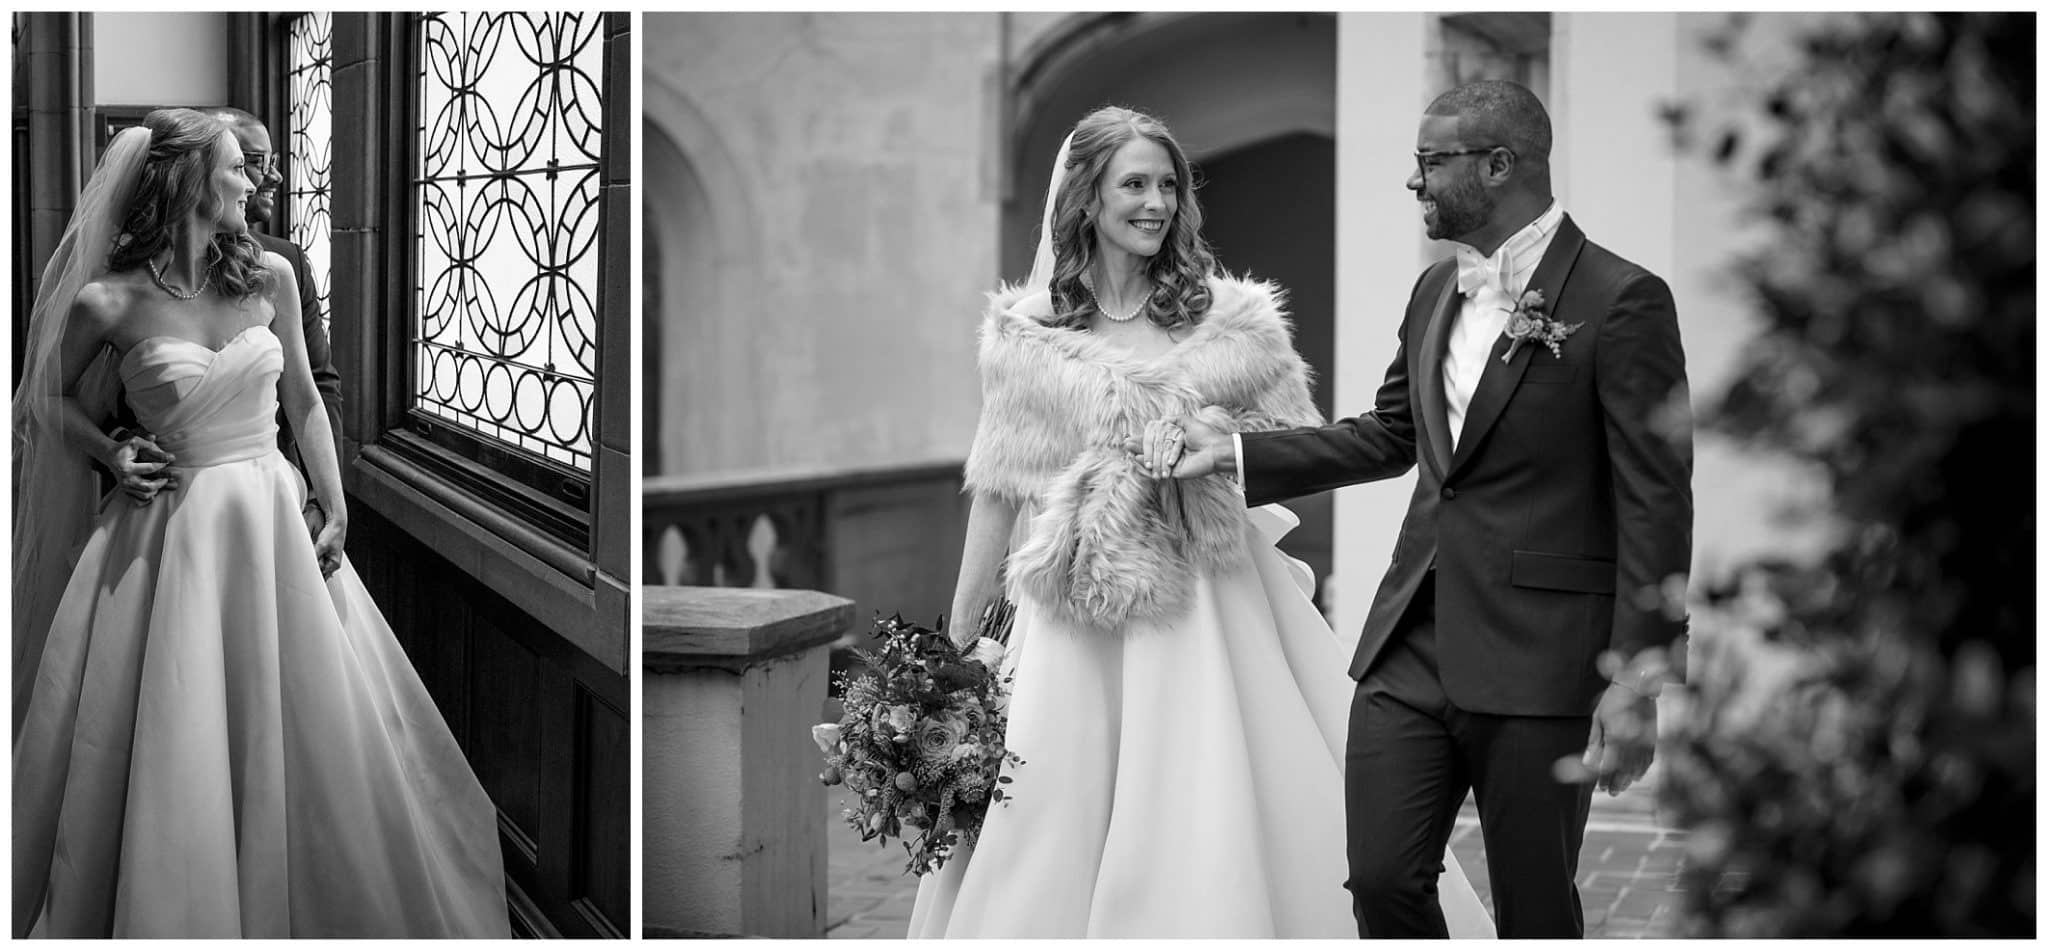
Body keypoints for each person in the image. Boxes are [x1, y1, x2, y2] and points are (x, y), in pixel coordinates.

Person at [904, 105, 1495, 938]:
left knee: (1209, 787)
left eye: (1168, 184)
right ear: (1086, 199)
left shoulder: (1227, 318)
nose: (1156, 202)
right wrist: (963, 623)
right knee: (1056, 804)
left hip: (1209, 594)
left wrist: (1216, 442)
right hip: (1073, 603)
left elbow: (1297, 441)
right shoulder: (1029, 332)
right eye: (1134, 184)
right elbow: (998, 483)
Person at [1151, 80, 1694, 938]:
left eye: (1430, 161)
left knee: (1534, 906)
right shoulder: (1435, 293)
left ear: (1498, 164)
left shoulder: (1623, 300)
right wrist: (1241, 455)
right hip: (1413, 642)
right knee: (1381, 879)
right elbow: (1392, 434)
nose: (1415, 181)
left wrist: (1640, 679)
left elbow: (1657, 499)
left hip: (1542, 657)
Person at [11, 108, 509, 938]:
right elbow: (42, 400)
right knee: (176, 726)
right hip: (168, 545)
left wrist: (334, 498)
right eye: (239, 167)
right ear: (187, 180)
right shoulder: (110, 299)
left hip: (273, 524)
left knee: (313, 725)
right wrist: (111, 451)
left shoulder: (270, 278)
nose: (255, 182)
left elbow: (306, 401)